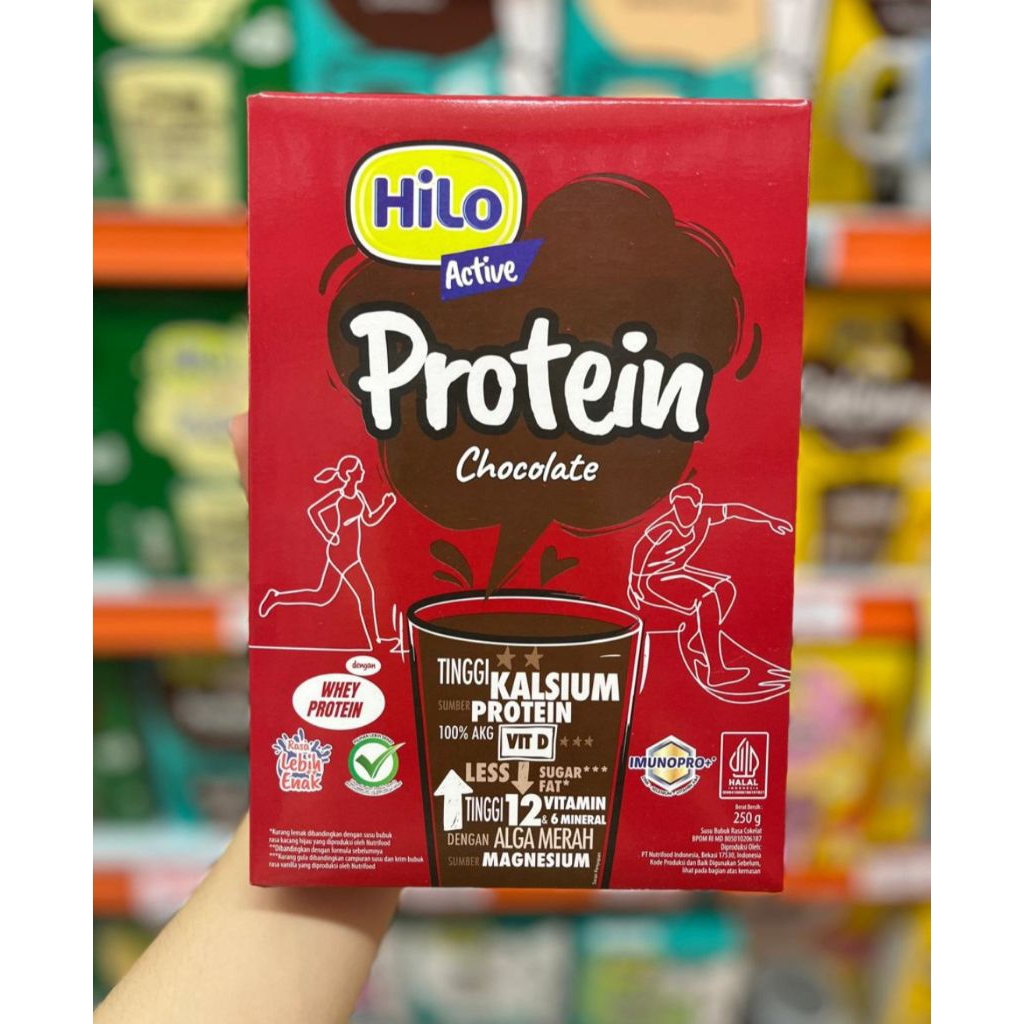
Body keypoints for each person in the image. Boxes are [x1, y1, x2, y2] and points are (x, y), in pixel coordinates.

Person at [95, 416, 400, 1024]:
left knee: (360, 598)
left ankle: (358, 630)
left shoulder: (352, 496)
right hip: (339, 562)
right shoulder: (333, 502)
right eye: (346, 474)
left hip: (354, 564)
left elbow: (370, 513)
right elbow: (332, 519)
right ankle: (289, 601)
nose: (348, 478)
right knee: (332, 598)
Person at [627, 481, 792, 688]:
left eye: (687, 508)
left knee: (725, 588)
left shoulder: (706, 515)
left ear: (698, 506)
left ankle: (697, 637)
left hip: (677, 571)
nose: (682, 514)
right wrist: (634, 584)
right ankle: (715, 671)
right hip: (652, 578)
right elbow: (640, 548)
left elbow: (735, 510)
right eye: (678, 508)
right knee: (707, 598)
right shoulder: (665, 526)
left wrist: (769, 519)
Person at [258, 453, 398, 650]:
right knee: (366, 594)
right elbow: (314, 511)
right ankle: (376, 643)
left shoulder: (359, 496)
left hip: (351, 555)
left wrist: (386, 505)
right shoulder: (339, 496)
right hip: (341, 554)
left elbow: (369, 520)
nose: (362, 471)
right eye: (358, 469)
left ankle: (276, 597)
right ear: (349, 474)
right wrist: (328, 534)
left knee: (322, 596)